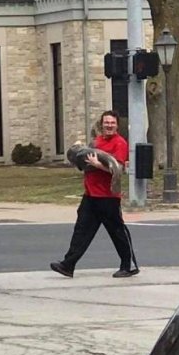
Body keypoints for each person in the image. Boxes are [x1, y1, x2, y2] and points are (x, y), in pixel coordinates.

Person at [50, 110, 139, 278]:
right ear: (102, 124)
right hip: (90, 195)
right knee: (81, 230)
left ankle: (129, 265)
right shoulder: (96, 142)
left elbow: (117, 170)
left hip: (108, 197)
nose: (109, 125)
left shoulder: (119, 143)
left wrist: (98, 165)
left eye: (112, 123)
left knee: (117, 232)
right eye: (106, 122)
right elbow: (83, 162)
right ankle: (68, 265)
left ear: (117, 125)